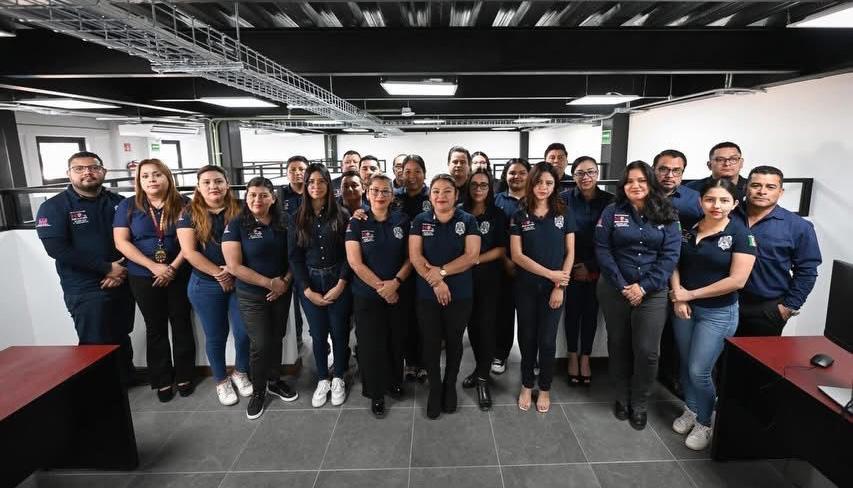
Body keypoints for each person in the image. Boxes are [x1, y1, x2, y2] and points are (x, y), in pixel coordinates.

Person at [669, 178, 757, 451]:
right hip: (685, 308)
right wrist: (678, 295)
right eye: (710, 199)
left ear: (735, 203)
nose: (716, 205)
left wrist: (691, 295)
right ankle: (692, 409)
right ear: (700, 201)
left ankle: (705, 422)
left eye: (723, 200)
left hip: (717, 313)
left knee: (700, 370)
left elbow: (737, 280)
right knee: (686, 365)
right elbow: (674, 263)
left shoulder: (741, 235)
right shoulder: (689, 229)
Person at [36, 151, 136, 384]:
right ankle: (99, 390)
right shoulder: (53, 207)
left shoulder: (119, 202)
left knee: (122, 333)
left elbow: (134, 239)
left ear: (103, 172)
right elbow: (57, 249)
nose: (87, 172)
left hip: (121, 280)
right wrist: (105, 268)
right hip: (85, 288)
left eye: (93, 167)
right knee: (94, 342)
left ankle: (125, 379)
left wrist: (120, 270)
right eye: (79, 169)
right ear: (69, 174)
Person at [594, 160, 681, 430]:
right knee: (618, 344)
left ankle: (640, 403)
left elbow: (670, 256)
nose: (636, 186)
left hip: (652, 293)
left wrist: (643, 287)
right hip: (614, 288)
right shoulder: (612, 211)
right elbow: (602, 249)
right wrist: (623, 285)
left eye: (642, 181)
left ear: (651, 184)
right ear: (623, 185)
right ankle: (622, 398)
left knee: (647, 351)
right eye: (630, 181)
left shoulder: (668, 213)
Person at [113, 158, 195, 402]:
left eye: (157, 174)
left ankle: (185, 375)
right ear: (139, 180)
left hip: (179, 272)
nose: (151, 179)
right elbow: (121, 242)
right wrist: (153, 266)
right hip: (142, 275)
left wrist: (171, 268)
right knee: (155, 327)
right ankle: (162, 379)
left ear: (168, 177)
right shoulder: (127, 206)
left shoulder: (185, 204)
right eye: (145, 176)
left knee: (181, 323)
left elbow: (192, 241)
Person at [223, 177, 298, 420]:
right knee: (261, 343)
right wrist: (269, 283)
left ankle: (274, 381)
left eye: (264, 195)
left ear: (273, 198)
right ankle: (258, 391)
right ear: (246, 197)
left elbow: (294, 256)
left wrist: (284, 282)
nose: (258, 199)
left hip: (281, 291)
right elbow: (234, 266)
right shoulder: (237, 224)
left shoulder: (285, 221)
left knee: (277, 337)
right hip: (252, 295)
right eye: (253, 195)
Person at [177, 165, 252, 406]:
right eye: (207, 182)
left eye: (218, 181)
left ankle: (241, 372)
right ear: (198, 187)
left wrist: (233, 271)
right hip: (205, 284)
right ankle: (221, 380)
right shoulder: (188, 213)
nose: (213, 186)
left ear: (227, 184)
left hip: (240, 280)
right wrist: (219, 274)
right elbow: (189, 252)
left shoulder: (242, 208)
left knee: (243, 332)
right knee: (215, 336)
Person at [409, 174, 480, 419]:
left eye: (447, 191)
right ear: (430, 196)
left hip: (460, 294)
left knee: (454, 341)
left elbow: (472, 256)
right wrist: (437, 282)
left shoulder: (468, 220)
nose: (441, 196)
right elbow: (415, 256)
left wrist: (440, 273)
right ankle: (435, 388)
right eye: (436, 191)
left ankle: (450, 385)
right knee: (430, 342)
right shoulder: (420, 220)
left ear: (456, 195)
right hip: (427, 294)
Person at [510, 162, 575, 413]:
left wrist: (559, 285)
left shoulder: (564, 213)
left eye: (549, 183)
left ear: (555, 185)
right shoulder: (520, 214)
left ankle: (545, 388)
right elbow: (517, 255)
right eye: (538, 182)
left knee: (547, 341)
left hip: (554, 289)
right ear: (531, 183)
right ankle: (527, 384)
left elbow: (570, 253)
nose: (543, 187)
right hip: (525, 287)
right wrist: (550, 274)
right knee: (527, 339)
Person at [345, 174, 412, 418]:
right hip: (367, 295)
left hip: (398, 292)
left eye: (385, 191)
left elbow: (411, 258)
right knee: (371, 345)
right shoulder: (357, 222)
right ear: (367, 193)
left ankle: (394, 381)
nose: (380, 195)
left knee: (396, 340)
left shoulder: (403, 220)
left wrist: (395, 283)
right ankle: (376, 393)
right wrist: (382, 288)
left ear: (392, 195)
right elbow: (355, 262)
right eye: (375, 190)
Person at [289, 163, 353, 408]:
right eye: (311, 182)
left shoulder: (342, 215)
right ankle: (323, 379)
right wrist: (306, 289)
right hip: (311, 281)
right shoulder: (297, 218)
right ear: (306, 186)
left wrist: (341, 284)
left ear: (328, 184)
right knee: (317, 334)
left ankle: (338, 377)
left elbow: (349, 254)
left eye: (321, 181)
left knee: (339, 331)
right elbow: (295, 258)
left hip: (338, 279)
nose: (316, 186)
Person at [732, 166, 822, 337]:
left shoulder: (798, 227)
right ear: (745, 188)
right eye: (756, 185)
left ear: (781, 192)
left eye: (770, 187)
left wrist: (789, 307)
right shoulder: (726, 215)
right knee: (713, 354)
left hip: (766, 310)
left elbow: (807, 271)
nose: (762, 191)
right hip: (719, 304)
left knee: (755, 355)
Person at [561, 156, 613, 387]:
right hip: (570, 266)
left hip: (598, 266)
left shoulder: (610, 202)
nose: (586, 177)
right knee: (572, 312)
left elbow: (612, 239)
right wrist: (572, 266)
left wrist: (591, 266)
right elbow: (560, 234)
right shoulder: (563, 200)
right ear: (573, 176)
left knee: (591, 314)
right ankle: (572, 356)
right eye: (580, 173)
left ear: (597, 174)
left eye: (591, 172)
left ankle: (585, 358)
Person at [461, 168, 507, 411]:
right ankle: (480, 369)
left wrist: (474, 259)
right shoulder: (460, 212)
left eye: (484, 185)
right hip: (463, 280)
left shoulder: (497, 215)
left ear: (490, 188)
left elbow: (501, 249)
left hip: (489, 280)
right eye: (474, 185)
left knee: (487, 328)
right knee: (473, 328)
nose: (478, 189)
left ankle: (482, 379)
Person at [393, 154, 430, 382]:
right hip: (401, 266)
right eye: (407, 171)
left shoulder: (432, 196)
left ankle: (425, 362)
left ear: (424, 174)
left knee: (425, 317)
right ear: (400, 174)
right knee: (406, 317)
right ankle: (410, 362)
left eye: (417, 171)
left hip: (428, 265)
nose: (412, 176)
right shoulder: (394, 197)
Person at [491, 158, 530, 375]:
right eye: (512, 172)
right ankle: (500, 354)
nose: (517, 177)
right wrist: (506, 260)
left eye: (522, 172)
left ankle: (530, 357)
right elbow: (492, 235)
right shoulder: (496, 200)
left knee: (528, 316)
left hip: (530, 267)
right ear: (505, 175)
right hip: (502, 266)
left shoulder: (536, 199)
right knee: (503, 315)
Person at [280, 155, 307, 347]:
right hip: (288, 252)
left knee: (309, 294)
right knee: (292, 298)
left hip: (310, 251)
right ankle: (296, 337)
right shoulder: (280, 195)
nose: (297, 173)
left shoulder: (313, 192)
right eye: (292, 170)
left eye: (301, 169)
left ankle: (320, 336)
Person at [653, 150, 704, 229]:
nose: (669, 175)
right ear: (653, 169)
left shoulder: (696, 198)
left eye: (676, 170)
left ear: (682, 172)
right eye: (663, 169)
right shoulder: (640, 195)